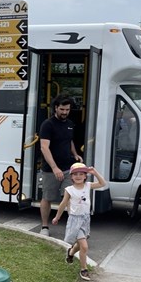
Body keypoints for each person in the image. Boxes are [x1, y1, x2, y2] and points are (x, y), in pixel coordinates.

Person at [52, 162, 106, 281]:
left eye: (81, 174)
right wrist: (57, 217)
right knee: (84, 246)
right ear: (71, 176)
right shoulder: (69, 190)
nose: (78, 176)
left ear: (85, 176)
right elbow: (63, 204)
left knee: (80, 243)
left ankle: (70, 253)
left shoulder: (88, 185)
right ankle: (83, 269)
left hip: (85, 219)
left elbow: (103, 183)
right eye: (75, 174)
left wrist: (95, 172)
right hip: (74, 220)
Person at [39, 94, 83, 236]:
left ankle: (72, 230)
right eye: (62, 109)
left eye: (67, 110)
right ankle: (45, 227)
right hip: (50, 170)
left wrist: (75, 154)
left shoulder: (70, 124)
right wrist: (54, 168)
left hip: (67, 169)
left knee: (70, 197)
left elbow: (68, 141)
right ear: (55, 108)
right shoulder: (48, 124)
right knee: (47, 197)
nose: (65, 112)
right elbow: (44, 147)